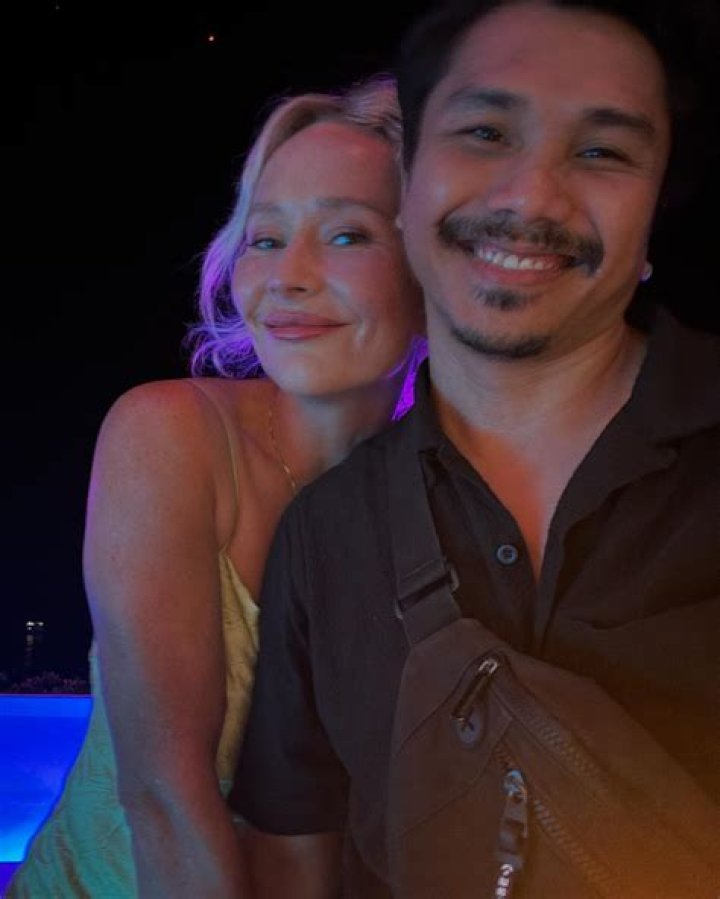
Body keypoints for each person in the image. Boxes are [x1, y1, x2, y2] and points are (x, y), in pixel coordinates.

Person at [231, 0, 720, 896]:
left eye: (603, 151)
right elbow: (293, 856)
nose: (530, 197)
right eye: (486, 133)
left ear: (652, 214)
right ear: (409, 187)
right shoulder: (324, 535)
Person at [6, 73, 424, 898]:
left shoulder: (448, 495)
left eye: (347, 234)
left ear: (434, 265)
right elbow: (166, 798)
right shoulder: (171, 432)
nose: (287, 276)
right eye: (265, 238)